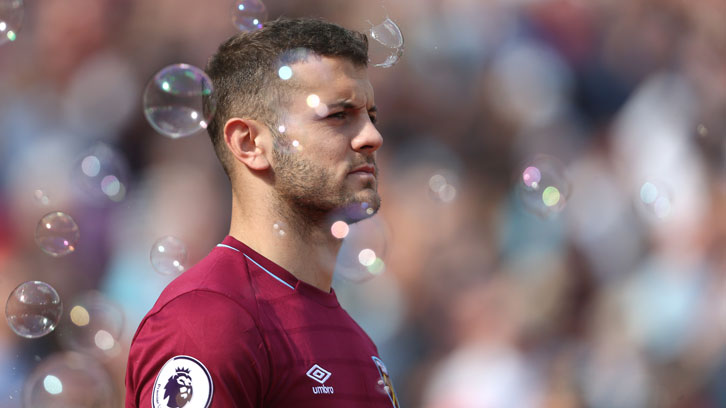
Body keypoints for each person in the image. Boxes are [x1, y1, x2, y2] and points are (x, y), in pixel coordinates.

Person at [125, 18, 400, 408]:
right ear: (249, 142)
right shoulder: (208, 319)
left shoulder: (357, 337)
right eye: (338, 115)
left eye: (371, 115)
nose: (373, 136)